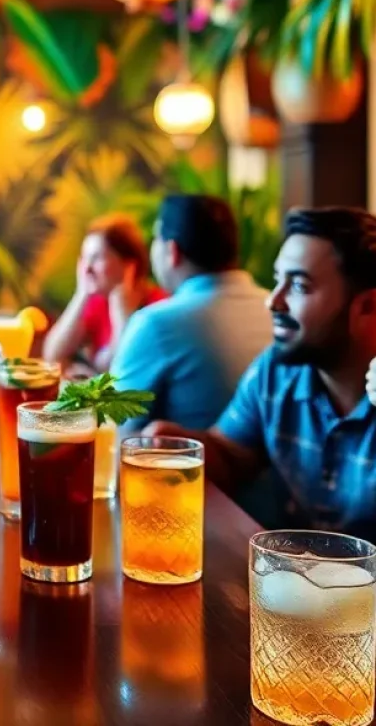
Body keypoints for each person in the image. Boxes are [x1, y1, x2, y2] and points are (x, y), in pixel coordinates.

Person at [144, 206, 376, 542]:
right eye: (277, 280)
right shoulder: (277, 371)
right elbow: (232, 455)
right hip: (292, 584)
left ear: (368, 306)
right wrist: (183, 447)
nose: (274, 301)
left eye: (298, 286)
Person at [112, 195, 271, 431]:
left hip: (195, 466)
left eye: (155, 238)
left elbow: (113, 421)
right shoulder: (275, 307)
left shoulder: (157, 323)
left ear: (172, 251)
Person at [43, 213, 165, 374]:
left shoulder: (158, 307)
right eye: (84, 259)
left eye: (96, 258)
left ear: (130, 265)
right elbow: (52, 355)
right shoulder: (98, 301)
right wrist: (81, 294)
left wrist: (121, 313)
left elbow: (124, 370)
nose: (87, 269)